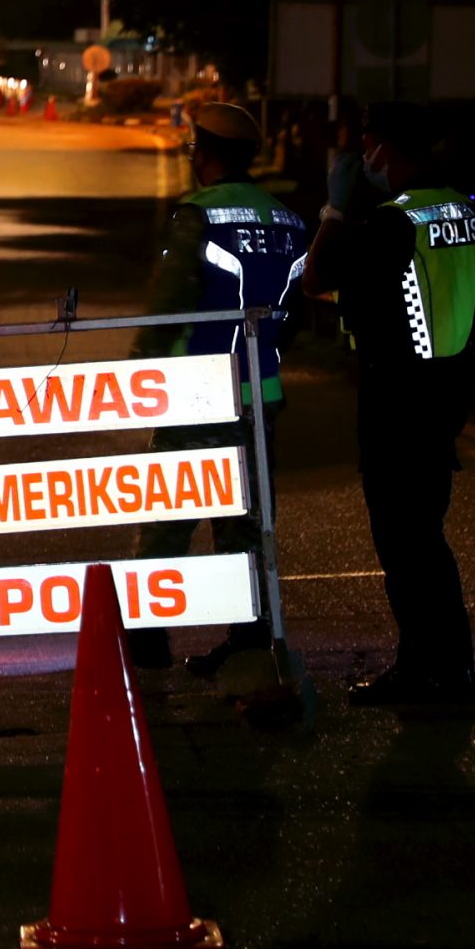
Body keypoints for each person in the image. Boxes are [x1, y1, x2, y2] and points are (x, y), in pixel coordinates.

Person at [304, 102, 475, 708]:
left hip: (398, 402)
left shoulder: (396, 222)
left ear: (390, 149)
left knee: (406, 545)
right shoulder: (466, 212)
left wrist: (335, 209)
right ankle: (443, 668)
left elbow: (317, 277)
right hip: (445, 398)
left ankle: (432, 673)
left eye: (370, 148)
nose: (365, 162)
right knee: (423, 537)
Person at [124, 102, 308, 677]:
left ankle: (146, 644)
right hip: (260, 392)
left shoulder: (198, 215)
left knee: (170, 517)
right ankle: (250, 638)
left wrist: (138, 372)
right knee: (246, 523)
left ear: (203, 154)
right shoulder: (287, 221)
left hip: (197, 393)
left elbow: (168, 307)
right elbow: (295, 312)